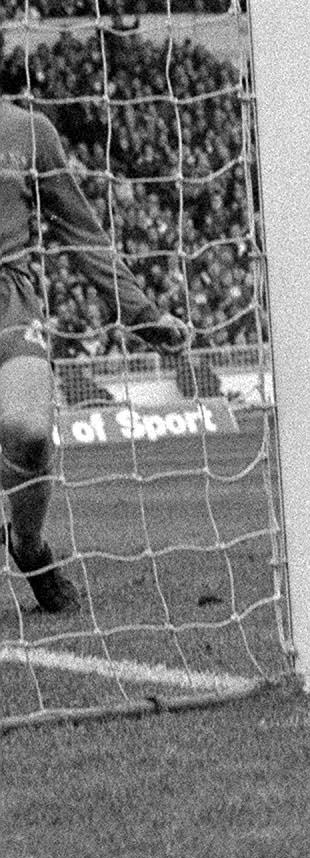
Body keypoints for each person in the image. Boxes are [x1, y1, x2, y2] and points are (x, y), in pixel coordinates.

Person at [0, 59, 190, 613]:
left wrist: (141, 312)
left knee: (30, 431)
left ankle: (28, 545)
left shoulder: (28, 132)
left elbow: (81, 232)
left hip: (8, 297)